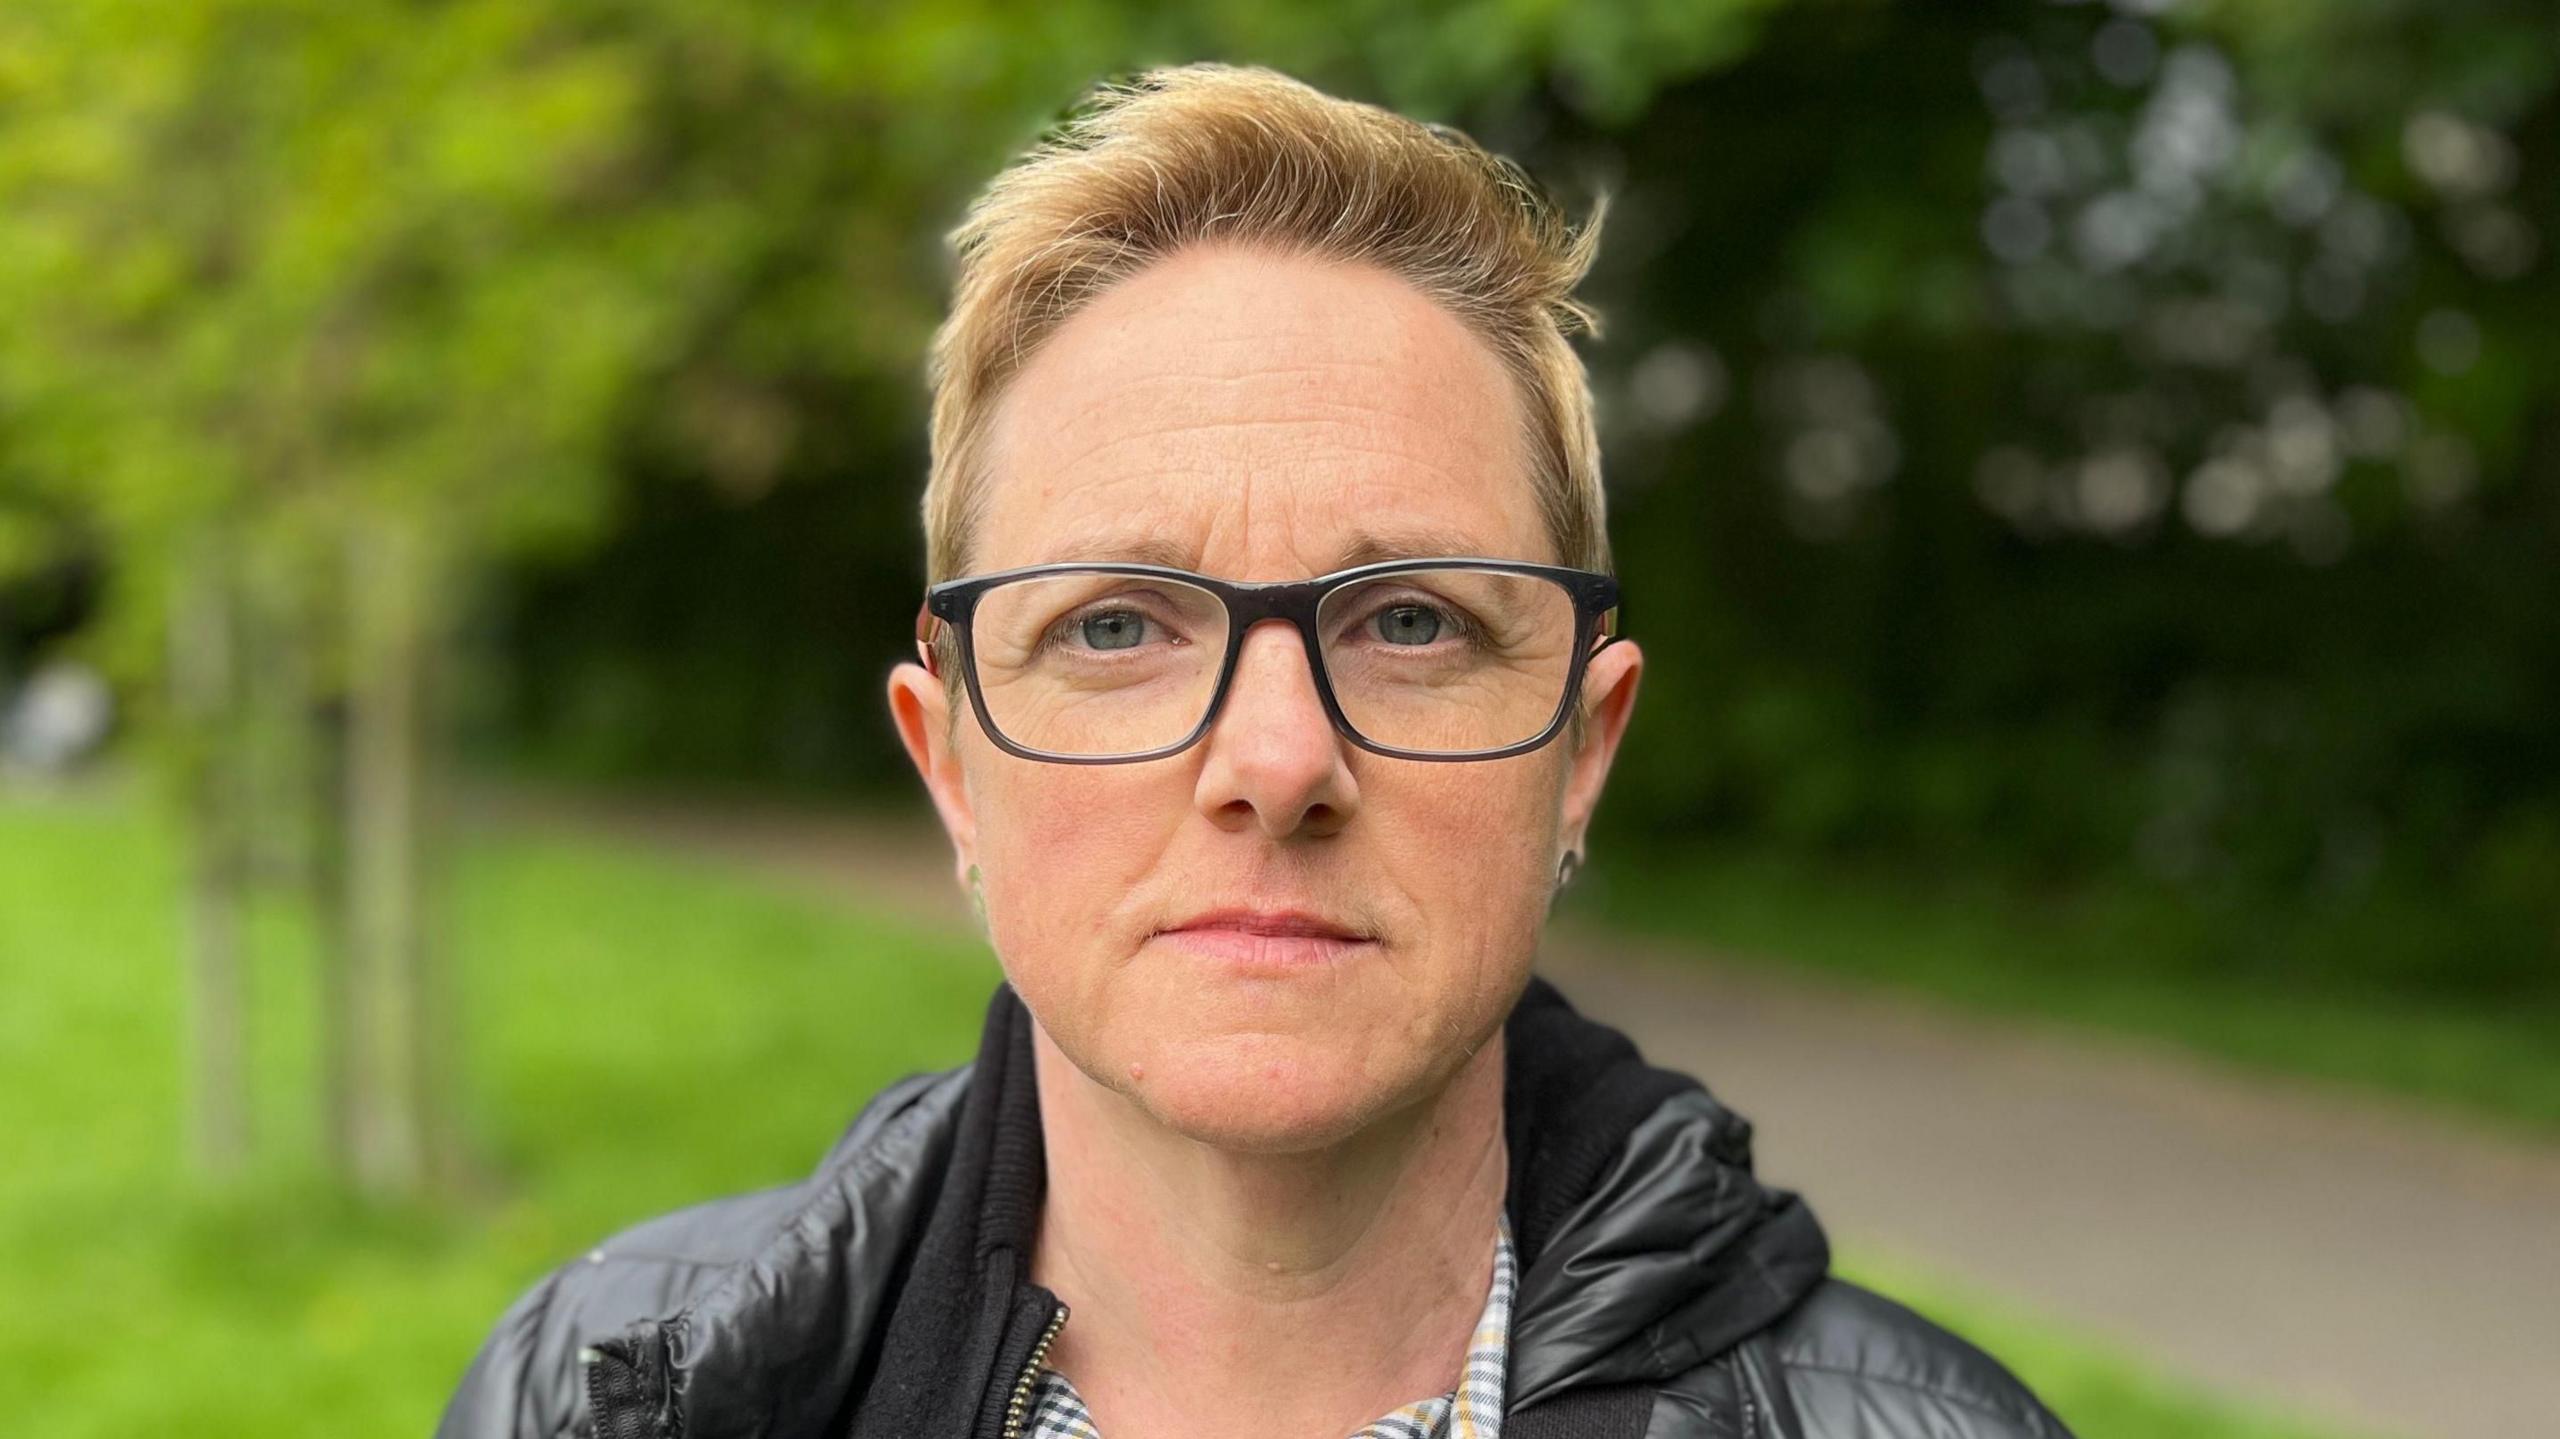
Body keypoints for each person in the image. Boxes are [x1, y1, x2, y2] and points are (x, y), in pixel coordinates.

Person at [436, 63, 2073, 1439]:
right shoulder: (608, 1401)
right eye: (1117, 628)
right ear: (953, 769)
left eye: (1415, 623)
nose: (1276, 761)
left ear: (1582, 750)